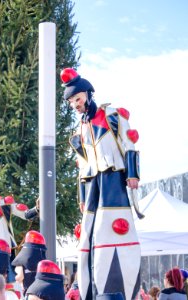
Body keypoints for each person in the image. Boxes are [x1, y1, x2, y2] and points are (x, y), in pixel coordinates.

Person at [60, 67, 141, 300]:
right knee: (90, 234)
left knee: (112, 227)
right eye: (72, 101)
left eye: (78, 98)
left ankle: (117, 286)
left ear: (87, 94)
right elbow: (83, 166)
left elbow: (128, 142)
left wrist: (132, 173)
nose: (75, 104)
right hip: (94, 183)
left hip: (112, 177)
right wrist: (83, 198)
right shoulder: (81, 128)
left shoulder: (111, 115)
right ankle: (90, 289)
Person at [12, 230, 47, 297]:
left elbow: (18, 278)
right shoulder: (41, 263)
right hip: (36, 294)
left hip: (27, 293)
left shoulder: (21, 261)